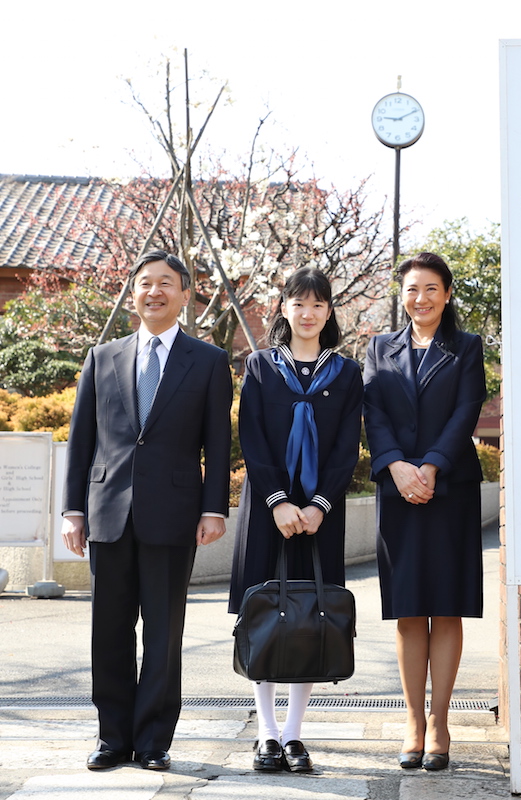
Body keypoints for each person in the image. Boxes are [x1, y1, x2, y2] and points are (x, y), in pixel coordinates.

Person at [61, 250, 233, 772]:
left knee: (163, 632)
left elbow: (218, 445)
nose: (154, 292)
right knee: (109, 630)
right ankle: (112, 737)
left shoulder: (207, 361)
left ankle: (154, 740)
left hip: (174, 514)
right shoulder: (102, 356)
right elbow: (80, 439)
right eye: (144, 284)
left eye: (166, 284)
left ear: (185, 295)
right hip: (108, 512)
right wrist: (73, 510)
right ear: (133, 294)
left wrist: (214, 509)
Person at [228, 267, 363, 774]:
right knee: (264, 615)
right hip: (269, 509)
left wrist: (318, 505)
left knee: (312, 616)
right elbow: (254, 438)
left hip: (320, 514)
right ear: (282, 307)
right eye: (298, 303)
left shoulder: (347, 373)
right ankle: (265, 732)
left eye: (318, 305)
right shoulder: (260, 366)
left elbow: (346, 446)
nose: (308, 314)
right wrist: (280, 502)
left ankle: (293, 733)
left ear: (329, 313)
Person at [363, 252, 487, 772]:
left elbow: (467, 409)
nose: (421, 298)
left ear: (448, 294)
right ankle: (413, 722)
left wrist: (432, 466)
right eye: (412, 289)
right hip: (398, 492)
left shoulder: (467, 348)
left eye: (432, 288)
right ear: (403, 294)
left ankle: (440, 723)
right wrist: (396, 467)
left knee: (447, 605)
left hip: (450, 488)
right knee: (410, 608)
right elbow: (373, 410)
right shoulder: (378, 348)